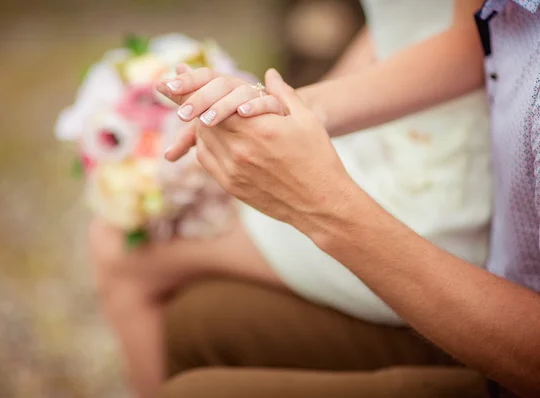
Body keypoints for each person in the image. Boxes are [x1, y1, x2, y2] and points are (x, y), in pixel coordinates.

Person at [90, 1, 495, 397]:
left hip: (427, 191)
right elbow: (394, 24)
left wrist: (288, 108)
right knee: (154, 224)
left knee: (119, 252)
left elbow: (472, 41)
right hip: (380, 139)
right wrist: (294, 108)